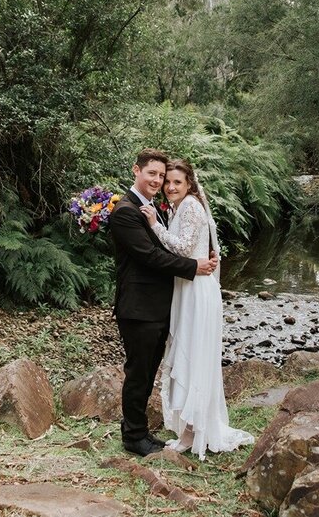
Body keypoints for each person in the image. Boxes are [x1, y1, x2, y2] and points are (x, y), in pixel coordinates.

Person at [140, 158, 254, 459]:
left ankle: (191, 433)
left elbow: (183, 247)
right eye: (168, 182)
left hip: (195, 291)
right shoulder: (182, 207)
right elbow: (194, 250)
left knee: (192, 356)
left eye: (177, 182)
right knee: (189, 354)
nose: (170, 187)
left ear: (189, 183)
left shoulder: (189, 206)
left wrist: (154, 226)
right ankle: (191, 426)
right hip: (188, 287)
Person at [109, 148, 218, 457]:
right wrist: (194, 267)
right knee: (139, 373)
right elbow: (151, 256)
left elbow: (184, 238)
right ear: (136, 171)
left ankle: (141, 432)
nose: (158, 181)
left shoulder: (152, 208)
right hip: (139, 307)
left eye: (162, 176)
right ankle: (133, 437)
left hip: (158, 306)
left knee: (148, 372)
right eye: (152, 174)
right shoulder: (126, 211)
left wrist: (205, 255)